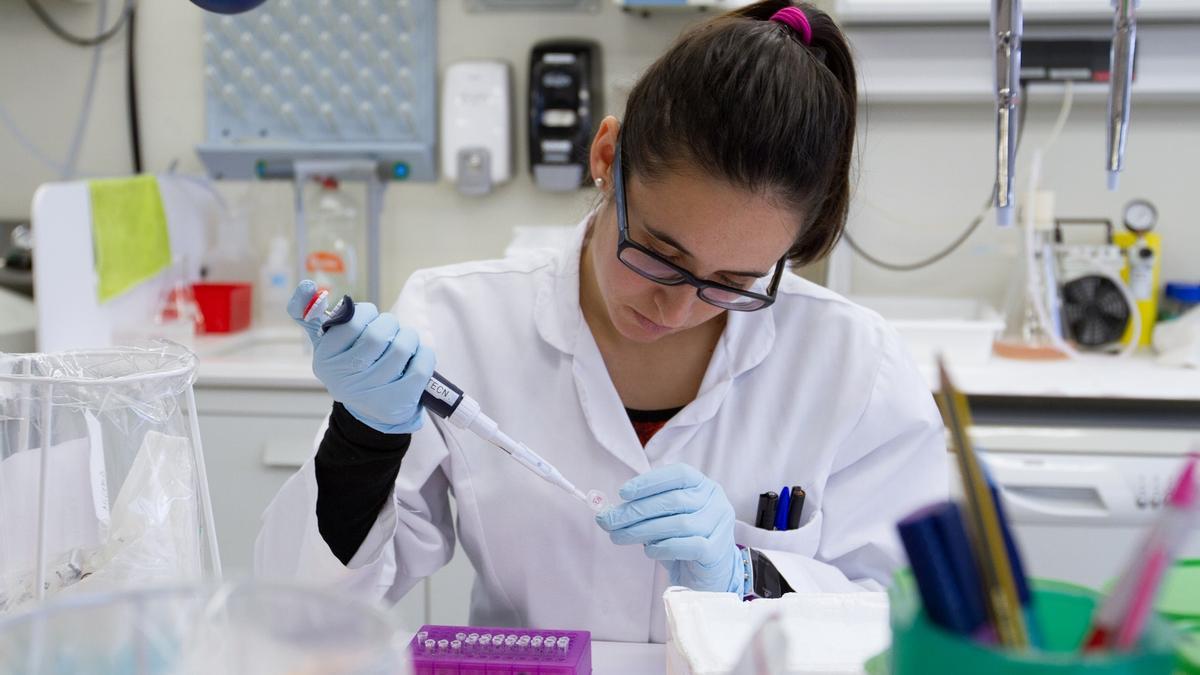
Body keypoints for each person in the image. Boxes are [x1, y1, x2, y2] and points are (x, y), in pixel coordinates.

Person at [256, 1, 947, 643]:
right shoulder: (459, 320)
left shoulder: (854, 365)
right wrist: (363, 440)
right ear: (606, 156)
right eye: (657, 254)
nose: (676, 309)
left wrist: (748, 578)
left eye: (732, 282)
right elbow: (306, 608)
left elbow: (901, 618)